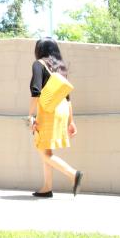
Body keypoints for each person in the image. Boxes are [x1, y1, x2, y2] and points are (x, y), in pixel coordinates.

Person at [28, 38, 83, 198]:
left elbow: (36, 91)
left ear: (39, 49)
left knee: (43, 151)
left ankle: (74, 174)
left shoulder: (38, 64)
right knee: (47, 149)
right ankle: (46, 187)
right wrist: (71, 121)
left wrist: (31, 115)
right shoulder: (61, 67)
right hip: (63, 110)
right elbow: (67, 97)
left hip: (47, 111)